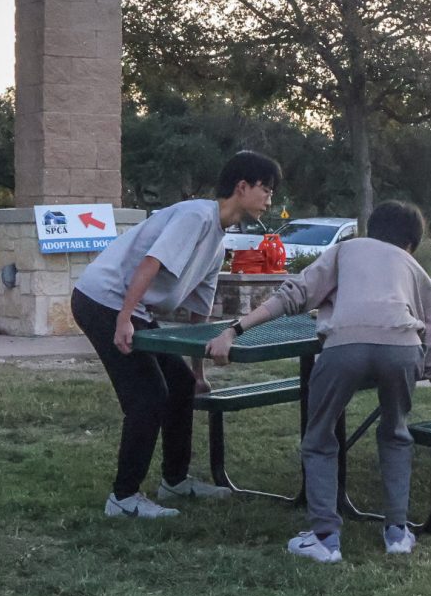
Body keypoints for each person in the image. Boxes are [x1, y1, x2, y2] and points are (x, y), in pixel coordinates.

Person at [206, 200, 431, 563]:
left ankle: (325, 538)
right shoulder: (416, 272)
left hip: (345, 347)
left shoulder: (345, 250)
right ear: (411, 244)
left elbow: (291, 295)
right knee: (396, 431)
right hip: (403, 348)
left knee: (320, 435)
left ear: (371, 230)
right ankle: (397, 532)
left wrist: (234, 330)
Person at [71, 150, 282, 518]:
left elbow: (201, 311)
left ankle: (175, 481)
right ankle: (123, 498)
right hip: (103, 301)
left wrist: (198, 373)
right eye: (265, 189)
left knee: (181, 385)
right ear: (242, 186)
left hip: (131, 308)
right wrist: (123, 319)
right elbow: (150, 263)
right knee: (147, 396)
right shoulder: (195, 216)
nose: (270, 199)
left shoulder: (218, 238)